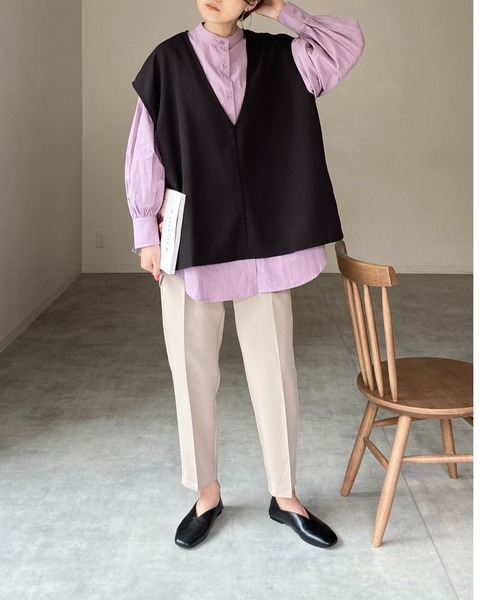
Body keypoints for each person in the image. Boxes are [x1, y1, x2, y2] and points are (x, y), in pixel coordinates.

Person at [125, 0, 364, 549]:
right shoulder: (166, 62)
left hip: (267, 237)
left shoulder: (287, 57)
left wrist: (282, 10)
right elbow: (145, 147)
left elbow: (347, 44)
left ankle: (285, 495)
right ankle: (205, 493)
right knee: (191, 371)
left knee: (275, 369)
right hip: (191, 233)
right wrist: (145, 230)